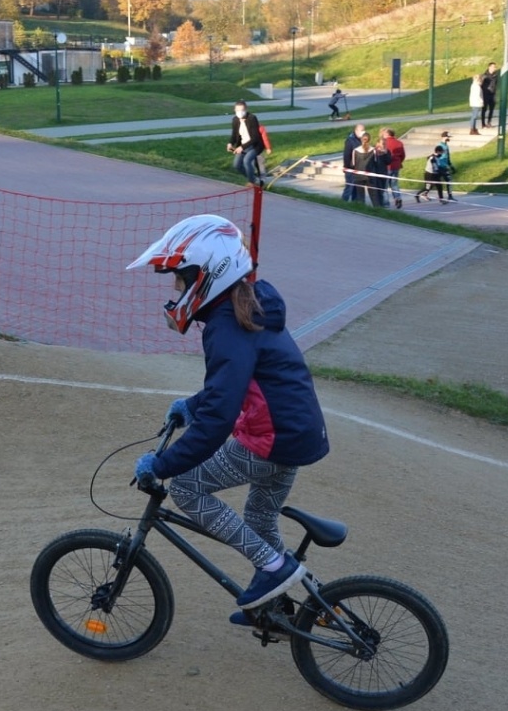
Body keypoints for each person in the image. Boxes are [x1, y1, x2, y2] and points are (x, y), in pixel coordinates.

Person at [126, 215, 330, 623]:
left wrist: (164, 464)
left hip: (272, 438)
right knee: (258, 519)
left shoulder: (226, 326)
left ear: (207, 275)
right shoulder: (247, 307)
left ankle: (275, 570)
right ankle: (288, 609)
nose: (175, 290)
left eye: (180, 280)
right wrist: (193, 405)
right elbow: (231, 389)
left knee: (187, 488)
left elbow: (220, 416)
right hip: (295, 432)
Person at [227, 100, 265, 186]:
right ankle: (254, 178)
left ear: (246, 109)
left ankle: (252, 182)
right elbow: (234, 134)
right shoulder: (235, 120)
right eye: (237, 110)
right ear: (234, 110)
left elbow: (255, 137)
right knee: (236, 165)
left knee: (247, 160)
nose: (240, 112)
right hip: (243, 146)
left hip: (254, 145)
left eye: (242, 110)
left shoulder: (252, 118)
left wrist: (242, 147)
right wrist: (230, 143)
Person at [381, 127, 407, 209]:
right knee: (394, 184)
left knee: (384, 186)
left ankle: (386, 203)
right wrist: (399, 162)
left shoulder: (384, 142)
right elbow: (403, 155)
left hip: (386, 166)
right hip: (396, 166)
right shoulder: (399, 143)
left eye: (384, 133)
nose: (382, 135)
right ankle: (397, 198)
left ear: (387, 134)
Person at [340, 122, 366, 201]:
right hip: (351, 167)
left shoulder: (363, 139)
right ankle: (344, 201)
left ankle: (355, 203)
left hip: (360, 167)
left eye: (364, 130)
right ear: (356, 130)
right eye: (361, 130)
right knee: (349, 187)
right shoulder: (350, 140)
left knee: (357, 188)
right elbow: (347, 155)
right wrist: (347, 167)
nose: (363, 132)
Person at [479, 62, 499, 128]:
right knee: (484, 109)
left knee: (491, 109)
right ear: (489, 67)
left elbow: (495, 84)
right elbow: (481, 85)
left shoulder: (495, 75)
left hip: (492, 94)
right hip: (486, 94)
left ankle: (489, 122)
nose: (494, 68)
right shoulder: (484, 76)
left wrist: (494, 92)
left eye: (495, 67)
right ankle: (483, 124)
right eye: (493, 67)